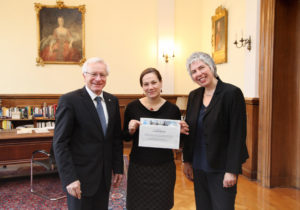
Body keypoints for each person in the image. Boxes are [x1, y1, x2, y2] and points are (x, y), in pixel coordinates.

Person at [53, 57, 124, 210]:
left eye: (102, 75)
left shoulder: (113, 101)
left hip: (104, 177)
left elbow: (116, 138)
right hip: (79, 178)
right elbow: (60, 143)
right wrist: (69, 178)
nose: (98, 79)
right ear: (84, 75)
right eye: (94, 74)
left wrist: (118, 167)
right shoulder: (69, 100)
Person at [182, 52, 249, 210]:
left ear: (211, 67)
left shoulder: (231, 93)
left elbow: (237, 135)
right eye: (194, 72)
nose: (199, 74)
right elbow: (190, 131)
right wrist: (187, 161)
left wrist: (232, 171)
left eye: (201, 67)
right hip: (198, 166)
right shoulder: (194, 96)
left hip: (221, 168)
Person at [123, 68, 189, 210]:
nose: (150, 87)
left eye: (154, 82)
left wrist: (181, 133)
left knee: (162, 205)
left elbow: (177, 142)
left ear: (161, 83)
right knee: (137, 206)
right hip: (138, 166)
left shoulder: (173, 109)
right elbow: (125, 138)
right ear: (142, 87)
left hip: (163, 167)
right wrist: (130, 130)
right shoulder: (132, 107)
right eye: (146, 84)